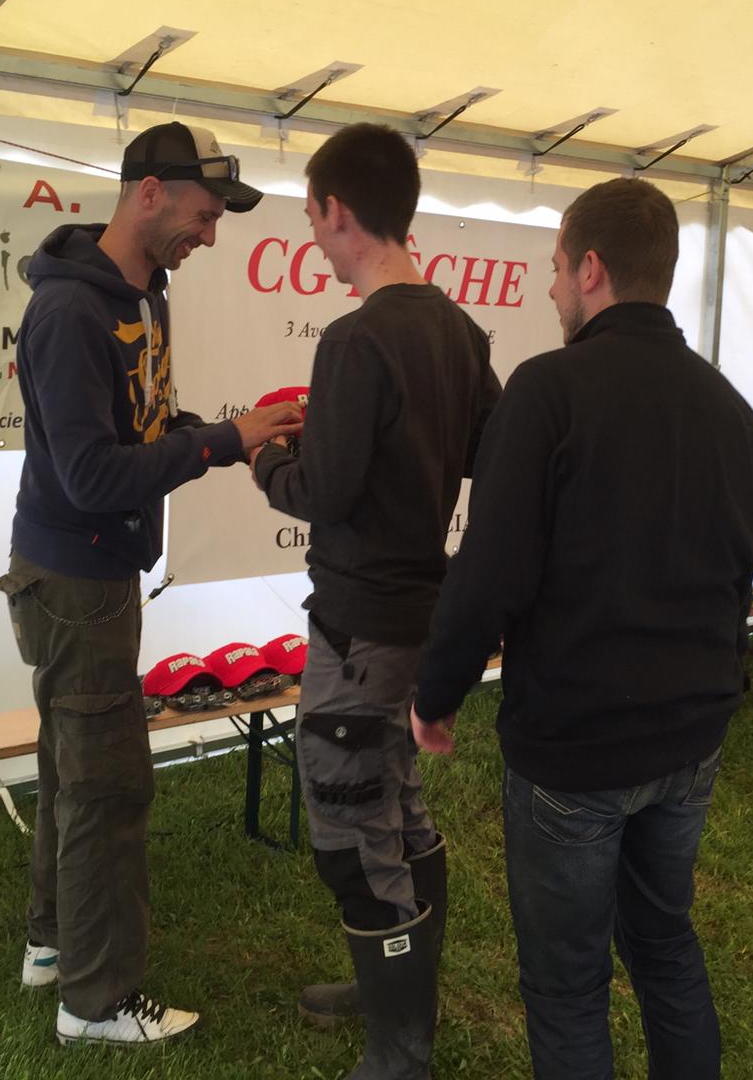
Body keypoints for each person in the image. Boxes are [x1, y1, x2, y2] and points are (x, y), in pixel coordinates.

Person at [411, 177, 753, 1080]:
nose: (551, 287)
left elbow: (489, 572)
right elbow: (738, 576)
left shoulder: (548, 390)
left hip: (578, 743)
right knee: (665, 942)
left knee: (568, 984)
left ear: (592, 269)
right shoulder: (731, 409)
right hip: (690, 734)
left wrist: (436, 695)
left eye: (557, 267)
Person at [0, 122, 302, 1046]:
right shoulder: (69, 314)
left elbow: (147, 425)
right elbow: (93, 475)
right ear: (149, 192)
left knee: (73, 771)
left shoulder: (144, 294)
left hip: (94, 575)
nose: (209, 235)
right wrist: (221, 442)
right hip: (72, 582)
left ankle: (53, 946)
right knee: (109, 789)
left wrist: (234, 435)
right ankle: (94, 1003)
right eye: (203, 216)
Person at [249, 122, 500, 1078]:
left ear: (338, 211)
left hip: (360, 627)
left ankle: (400, 1050)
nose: (313, 235)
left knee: (351, 830)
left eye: (313, 216)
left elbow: (324, 491)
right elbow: (484, 452)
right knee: (397, 806)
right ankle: (396, 992)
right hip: (417, 619)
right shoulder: (456, 329)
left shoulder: (355, 340)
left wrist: (267, 458)